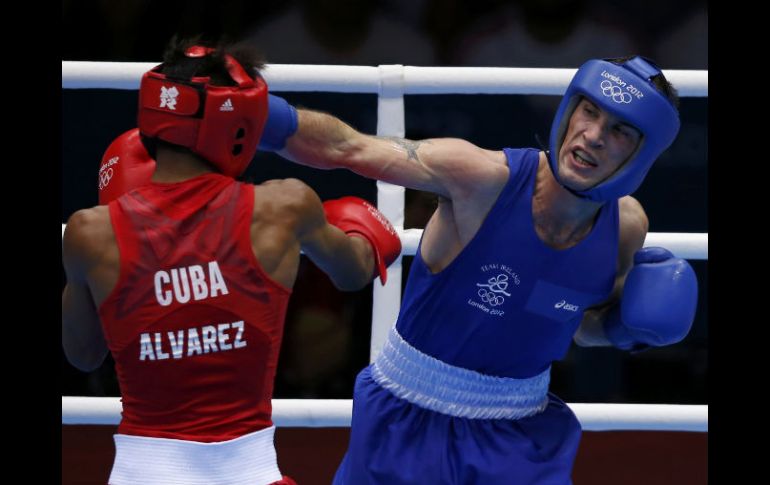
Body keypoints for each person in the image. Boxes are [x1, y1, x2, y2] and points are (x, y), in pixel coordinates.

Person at [258, 55, 699, 483]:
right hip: (409, 417)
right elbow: (347, 147)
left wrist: (621, 330)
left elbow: (579, 322)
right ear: (570, 108)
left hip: (521, 434)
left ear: (643, 154)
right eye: (589, 111)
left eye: (620, 130)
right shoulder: (481, 179)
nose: (594, 135)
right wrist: (257, 113)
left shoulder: (626, 227)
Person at [61, 37, 402, 485]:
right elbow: (355, 272)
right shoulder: (284, 208)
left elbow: (83, 355)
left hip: (138, 472)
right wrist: (361, 226)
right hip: (250, 471)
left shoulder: (90, 232)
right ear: (240, 126)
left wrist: (131, 281)